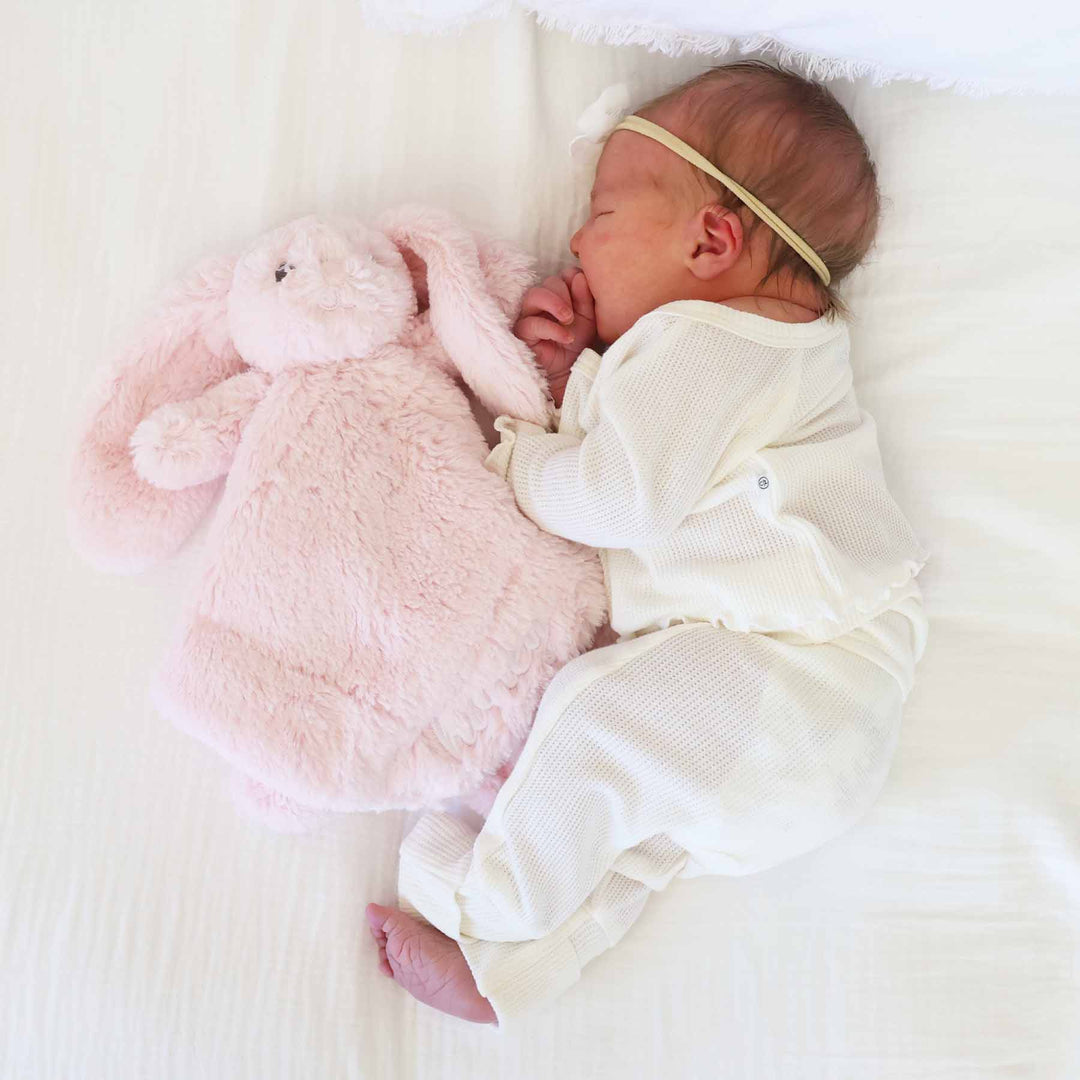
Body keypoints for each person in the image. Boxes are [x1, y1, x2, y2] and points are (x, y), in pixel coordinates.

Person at [366, 60, 928, 1030]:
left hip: (800, 677)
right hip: (794, 715)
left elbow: (615, 497)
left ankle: (482, 908)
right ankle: (510, 974)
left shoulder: (714, 344)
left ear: (711, 240)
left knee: (597, 722)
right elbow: (648, 455)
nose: (577, 240)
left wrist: (517, 458)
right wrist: (570, 365)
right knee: (627, 823)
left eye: (604, 212)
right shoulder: (745, 357)